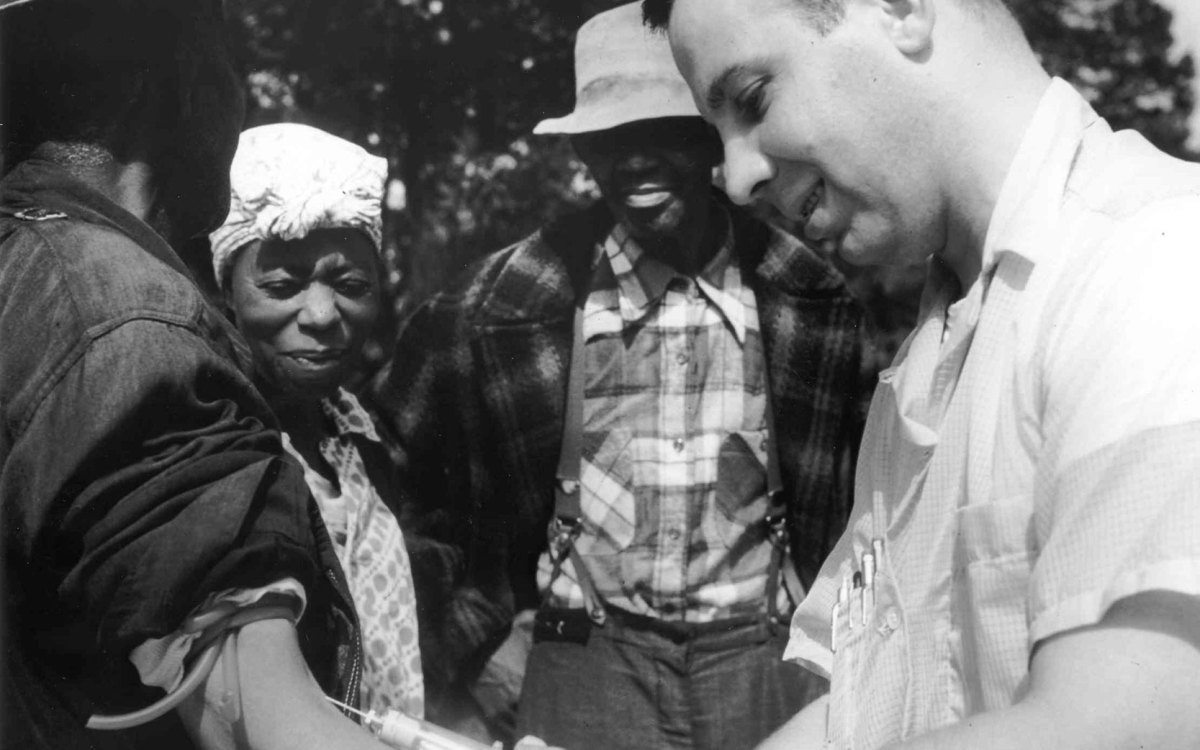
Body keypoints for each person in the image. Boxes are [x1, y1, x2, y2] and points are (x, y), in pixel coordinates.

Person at [642, 0, 1200, 748]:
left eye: (752, 100)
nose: (736, 177)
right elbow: (857, 714)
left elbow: (1124, 728)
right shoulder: (928, 354)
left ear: (902, 10)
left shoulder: (1154, 264)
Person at [369, 4, 868, 749]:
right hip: (585, 659)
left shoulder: (809, 300)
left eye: (659, 130)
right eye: (608, 137)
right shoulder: (503, 306)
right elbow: (386, 482)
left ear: (707, 136)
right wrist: (479, 646)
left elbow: (860, 509)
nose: (632, 159)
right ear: (582, 152)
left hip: (761, 660)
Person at [0, 2, 396, 748]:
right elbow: (262, 726)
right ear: (180, 83)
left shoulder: (25, 268)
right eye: (229, 63)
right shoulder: (128, 320)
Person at [208, 123, 424, 720]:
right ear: (226, 289)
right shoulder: (212, 453)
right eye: (281, 284)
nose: (323, 314)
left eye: (351, 284)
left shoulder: (362, 437)